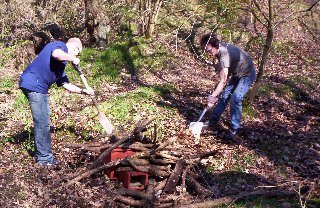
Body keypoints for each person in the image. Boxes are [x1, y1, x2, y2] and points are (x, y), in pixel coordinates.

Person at [19, 38, 94, 166]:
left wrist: (83, 91)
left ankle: (43, 156)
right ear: (75, 48)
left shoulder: (60, 67)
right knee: (42, 123)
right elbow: (56, 54)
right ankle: (44, 159)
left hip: (36, 86)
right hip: (34, 84)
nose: (77, 55)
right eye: (78, 53)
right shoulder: (59, 46)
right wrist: (72, 58)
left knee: (43, 120)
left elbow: (66, 84)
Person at [200, 33, 256, 141]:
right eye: (206, 51)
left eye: (209, 50)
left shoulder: (224, 53)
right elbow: (225, 73)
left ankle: (234, 128)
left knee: (235, 98)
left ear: (215, 46)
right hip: (236, 73)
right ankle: (212, 121)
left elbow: (223, 80)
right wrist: (216, 94)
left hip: (247, 74)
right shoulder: (218, 50)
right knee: (224, 96)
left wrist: (212, 97)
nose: (208, 53)